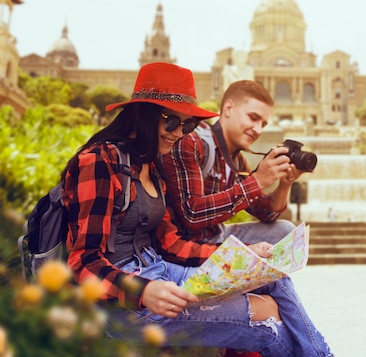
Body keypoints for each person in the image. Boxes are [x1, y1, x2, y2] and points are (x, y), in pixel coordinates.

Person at [61, 62, 333, 357]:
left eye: (188, 125)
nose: (180, 133)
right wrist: (142, 291)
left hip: (161, 272)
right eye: (171, 122)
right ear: (142, 114)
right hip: (120, 305)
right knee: (268, 320)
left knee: (275, 278)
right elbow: (83, 261)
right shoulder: (99, 161)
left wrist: (241, 257)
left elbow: (171, 244)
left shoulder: (149, 165)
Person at [160, 79, 300, 247]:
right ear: (228, 108)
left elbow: (267, 214)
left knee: (285, 231)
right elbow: (192, 215)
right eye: (253, 118)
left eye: (263, 124)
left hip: (216, 235)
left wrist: (285, 184)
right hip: (186, 244)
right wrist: (257, 181)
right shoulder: (192, 141)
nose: (258, 130)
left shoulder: (238, 160)